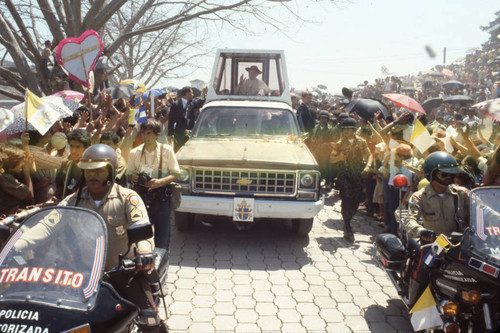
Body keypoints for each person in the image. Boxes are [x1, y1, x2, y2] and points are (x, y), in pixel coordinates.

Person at [27, 144, 165, 332]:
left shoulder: (128, 198)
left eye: (98, 171)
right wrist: (18, 245)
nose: (92, 175)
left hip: (122, 272)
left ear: (111, 171)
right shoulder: (73, 200)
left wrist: (143, 251)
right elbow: (46, 226)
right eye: (87, 171)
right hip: (80, 275)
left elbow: (141, 230)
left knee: (149, 320)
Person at [404, 151, 469, 306]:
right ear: (431, 174)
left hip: (462, 244)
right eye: (444, 174)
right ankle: (415, 305)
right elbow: (409, 219)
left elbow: (483, 210)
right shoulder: (419, 197)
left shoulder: (462, 193)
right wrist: (421, 232)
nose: (449, 177)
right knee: (424, 269)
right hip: (435, 244)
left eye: (451, 174)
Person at [128, 119, 180, 250]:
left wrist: (161, 182)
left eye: (149, 133)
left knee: (163, 235)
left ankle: (162, 262)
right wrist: (134, 177)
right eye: (144, 133)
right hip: (141, 197)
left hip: (161, 197)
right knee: (140, 233)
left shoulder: (167, 150)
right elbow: (128, 175)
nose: (146, 136)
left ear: (157, 134)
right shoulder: (135, 152)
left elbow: (176, 173)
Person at [329, 118, 372, 242]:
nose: (347, 131)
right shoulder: (340, 143)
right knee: (347, 199)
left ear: (354, 130)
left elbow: (369, 155)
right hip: (345, 174)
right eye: (345, 129)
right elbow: (331, 158)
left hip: (357, 174)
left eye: (349, 129)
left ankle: (348, 219)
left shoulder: (362, 142)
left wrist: (368, 166)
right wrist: (340, 158)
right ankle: (347, 226)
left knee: (356, 202)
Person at [168, 86, 207, 152]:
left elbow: (200, 103)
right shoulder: (175, 104)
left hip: (190, 132)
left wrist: (203, 94)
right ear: (187, 93)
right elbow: (171, 120)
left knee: (190, 151)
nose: (193, 94)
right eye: (192, 92)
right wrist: (170, 134)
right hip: (179, 133)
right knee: (178, 150)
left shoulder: (193, 103)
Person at [55, 129, 91, 199]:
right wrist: (54, 196)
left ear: (86, 148)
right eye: (71, 146)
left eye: (78, 147)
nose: (73, 151)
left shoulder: (90, 168)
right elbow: (60, 185)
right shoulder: (66, 163)